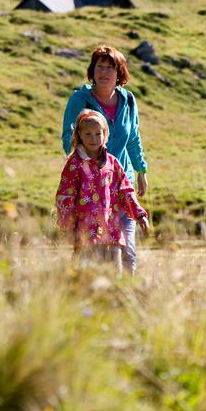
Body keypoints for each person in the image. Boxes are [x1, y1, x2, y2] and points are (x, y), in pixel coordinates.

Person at [61, 45, 149, 272]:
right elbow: (67, 138)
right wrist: (89, 161)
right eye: (99, 66)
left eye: (110, 68)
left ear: (119, 73)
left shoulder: (128, 100)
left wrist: (141, 170)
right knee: (91, 254)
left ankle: (127, 298)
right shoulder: (80, 99)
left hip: (121, 183)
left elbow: (133, 138)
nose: (104, 72)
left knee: (128, 251)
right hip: (90, 189)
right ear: (92, 70)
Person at [55, 109, 149, 267]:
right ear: (79, 134)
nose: (93, 138)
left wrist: (139, 214)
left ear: (105, 135)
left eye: (97, 134)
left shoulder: (112, 163)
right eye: (88, 134)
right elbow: (64, 198)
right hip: (84, 236)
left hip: (111, 233)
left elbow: (125, 191)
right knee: (85, 280)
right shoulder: (74, 165)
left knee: (113, 278)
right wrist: (67, 226)